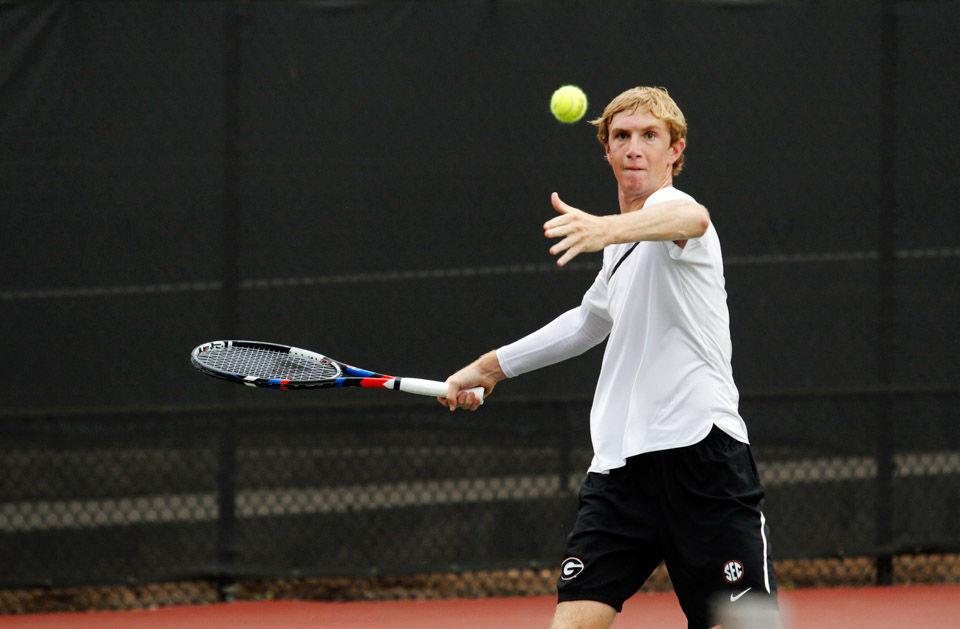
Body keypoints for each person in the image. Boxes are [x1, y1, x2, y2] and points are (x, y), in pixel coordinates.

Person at [440, 86, 777, 629]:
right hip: (622, 470)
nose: (635, 148)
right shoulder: (619, 251)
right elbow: (588, 320)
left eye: (650, 136)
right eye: (621, 136)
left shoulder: (671, 212)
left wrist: (606, 228)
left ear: (676, 150)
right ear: (607, 150)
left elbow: (692, 220)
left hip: (701, 457)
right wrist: (490, 367)